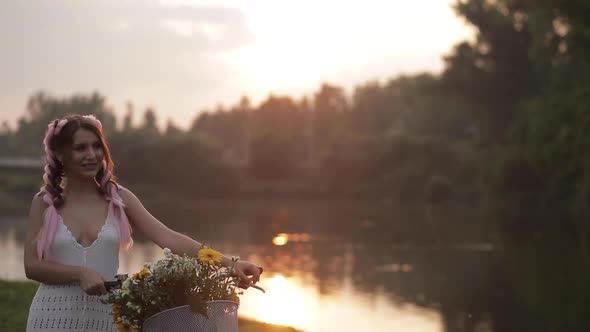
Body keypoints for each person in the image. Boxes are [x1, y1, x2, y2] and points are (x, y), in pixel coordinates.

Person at [23, 114, 262, 331]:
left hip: (105, 318)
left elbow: (170, 238)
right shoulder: (45, 203)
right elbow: (32, 266)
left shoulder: (120, 199)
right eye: (80, 148)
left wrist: (230, 262)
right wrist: (79, 273)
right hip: (50, 316)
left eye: (97, 146)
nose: (92, 155)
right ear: (61, 155)